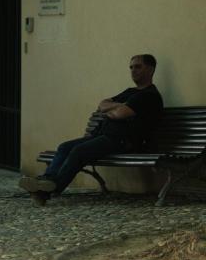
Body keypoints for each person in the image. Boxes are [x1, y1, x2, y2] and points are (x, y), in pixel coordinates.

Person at [19, 54, 163, 205]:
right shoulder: (130, 92)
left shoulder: (149, 95)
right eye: (131, 67)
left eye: (138, 67)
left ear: (150, 70)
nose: (133, 70)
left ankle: (48, 189)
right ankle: (47, 181)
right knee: (64, 147)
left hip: (124, 141)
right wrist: (119, 106)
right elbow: (102, 105)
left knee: (79, 151)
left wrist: (115, 109)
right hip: (105, 136)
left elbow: (118, 114)